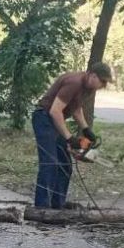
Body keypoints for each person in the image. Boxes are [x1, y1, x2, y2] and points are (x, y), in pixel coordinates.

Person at [32, 62, 113, 209]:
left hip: (55, 120)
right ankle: (41, 208)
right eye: (102, 82)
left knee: (65, 165)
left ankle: (57, 205)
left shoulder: (86, 87)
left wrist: (86, 129)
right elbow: (55, 111)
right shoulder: (74, 82)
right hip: (44, 118)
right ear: (93, 75)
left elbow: (76, 109)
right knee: (50, 163)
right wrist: (69, 138)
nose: (102, 86)